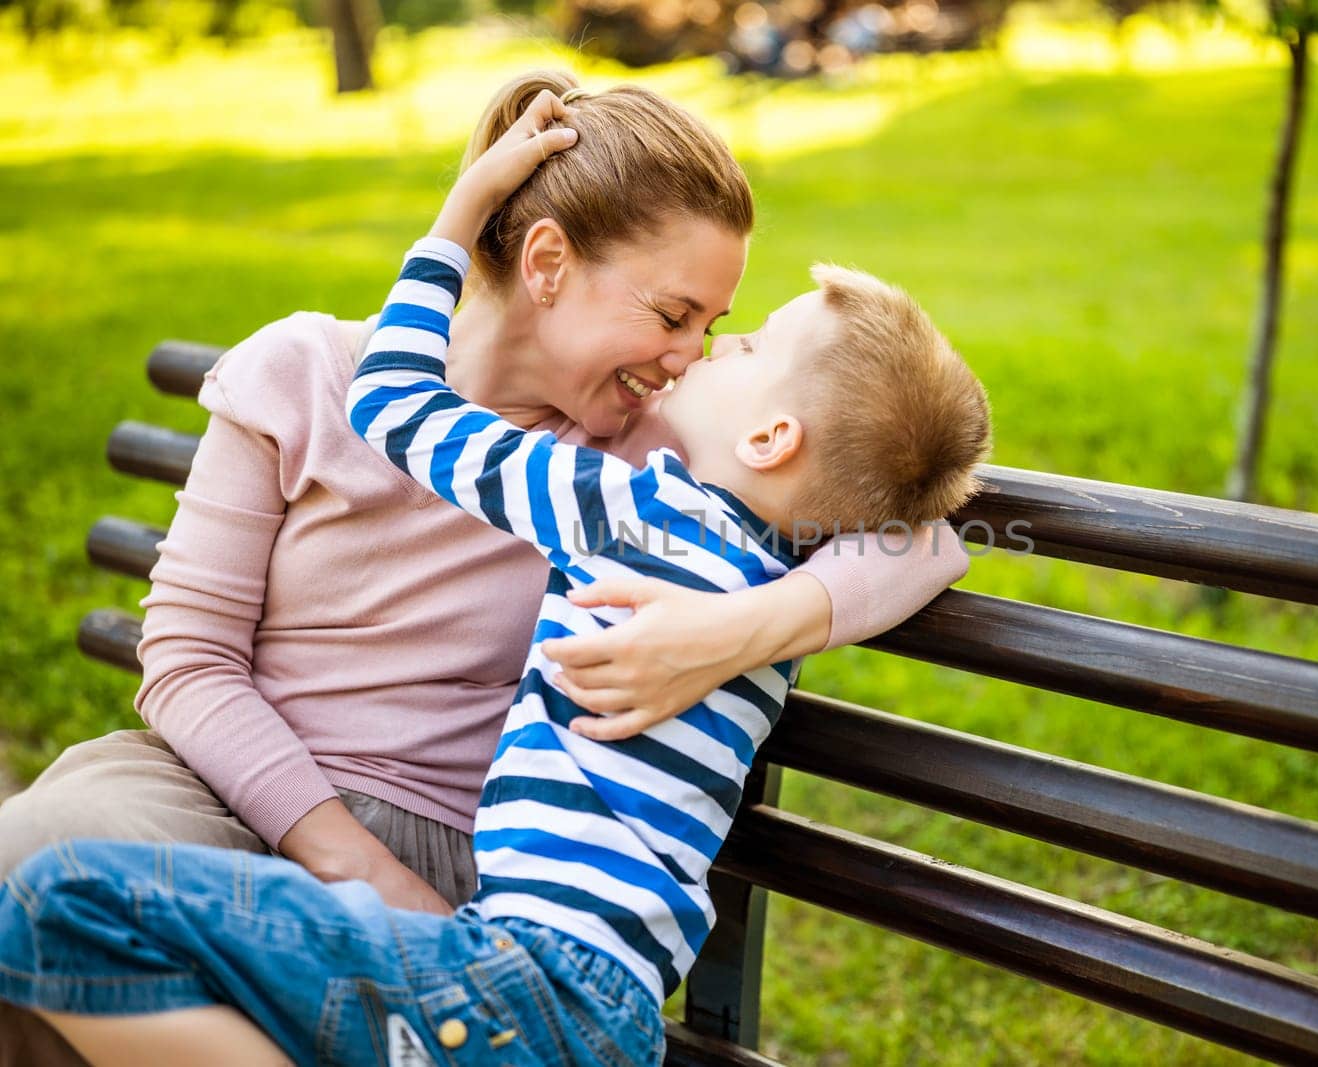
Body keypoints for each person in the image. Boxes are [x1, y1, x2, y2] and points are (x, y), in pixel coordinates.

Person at [0, 91, 991, 1066]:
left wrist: (742, 630)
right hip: (219, 780)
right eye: (674, 314)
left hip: (465, 862)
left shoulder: (655, 458)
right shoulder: (314, 370)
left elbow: (932, 532)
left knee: (65, 922)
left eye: (718, 327)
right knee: (31, 865)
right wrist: (352, 865)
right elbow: (187, 658)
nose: (690, 357)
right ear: (549, 260)